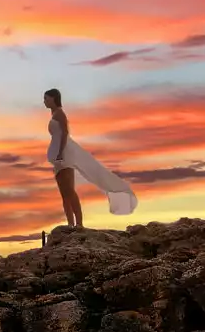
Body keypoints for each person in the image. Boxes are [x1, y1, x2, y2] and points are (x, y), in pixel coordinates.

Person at [44, 88, 137, 228]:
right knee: (63, 191)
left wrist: (60, 152)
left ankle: (79, 224)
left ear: (53, 98)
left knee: (69, 189)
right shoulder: (53, 114)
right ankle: (70, 223)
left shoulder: (60, 114)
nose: (44, 101)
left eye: (46, 98)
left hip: (64, 154)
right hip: (58, 156)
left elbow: (64, 134)